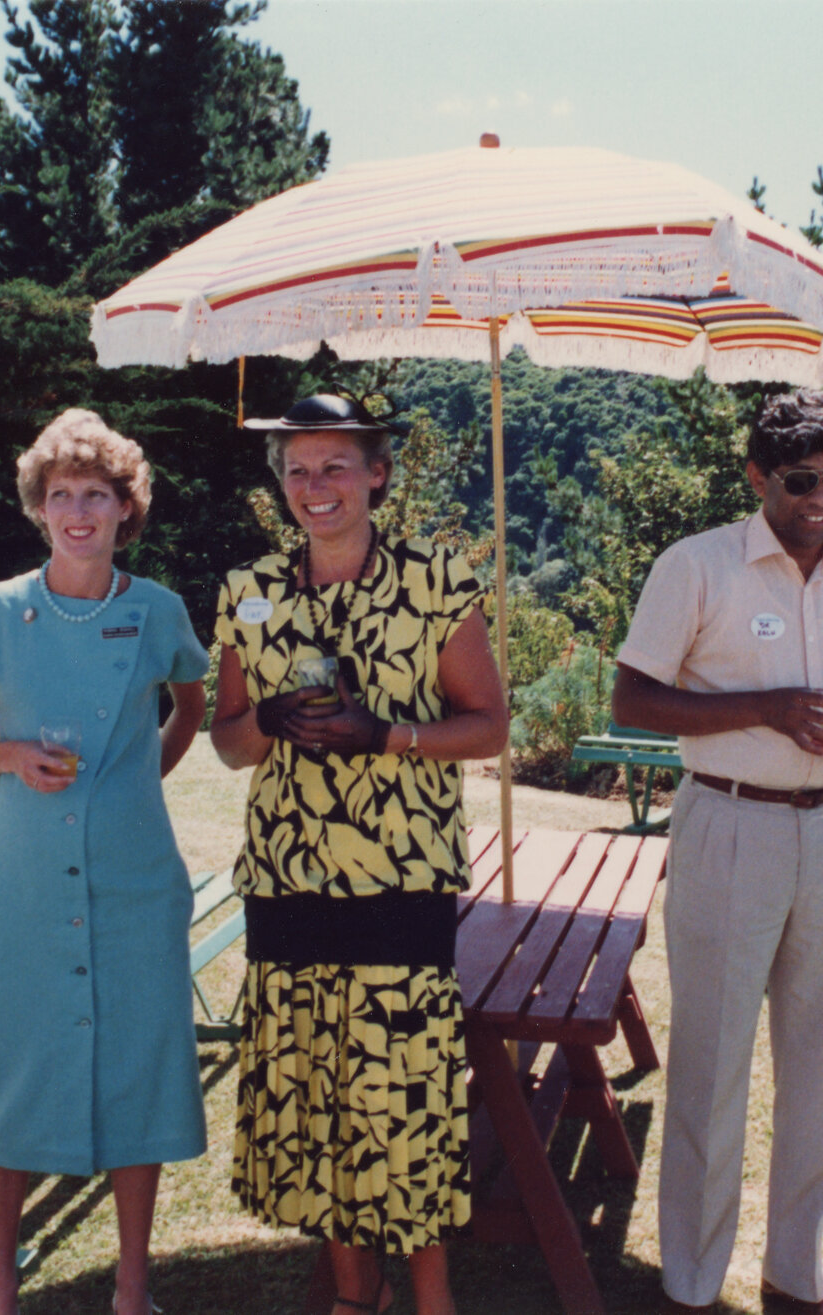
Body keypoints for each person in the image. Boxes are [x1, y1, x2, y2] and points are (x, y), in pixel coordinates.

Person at [613, 389, 823, 1315]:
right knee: (712, 1062)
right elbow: (633, 700)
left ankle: (796, 1273)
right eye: (801, 480)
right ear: (758, 476)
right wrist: (767, 708)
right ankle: (691, 1281)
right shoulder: (698, 565)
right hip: (730, 820)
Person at [209, 395, 508, 1315]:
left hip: (400, 878)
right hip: (288, 879)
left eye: (335, 466)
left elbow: (488, 725)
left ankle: (432, 1297)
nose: (316, 486)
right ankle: (353, 1293)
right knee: (316, 1096)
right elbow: (228, 741)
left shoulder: (436, 580)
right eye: (297, 469)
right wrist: (269, 719)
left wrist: (385, 735)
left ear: (377, 474)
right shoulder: (249, 589)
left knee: (404, 1094)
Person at [0, 410, 208, 1315]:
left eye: (97, 494)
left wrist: (139, 778)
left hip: (135, 877)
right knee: (12, 1072)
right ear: (39, 507)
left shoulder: (156, 608)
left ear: (126, 507)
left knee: (139, 1068)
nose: (79, 512)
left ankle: (132, 1288)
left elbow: (192, 704)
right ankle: (0, 1289)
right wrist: (9, 756)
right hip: (20, 884)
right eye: (62, 495)